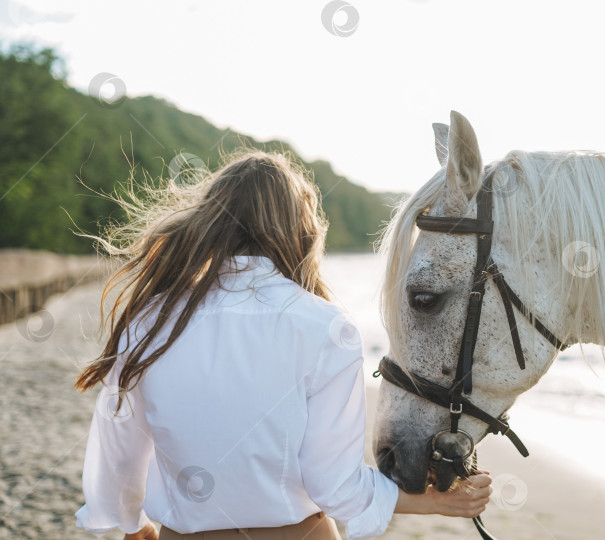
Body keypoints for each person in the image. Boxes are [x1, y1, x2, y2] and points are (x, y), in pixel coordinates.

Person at [73, 150, 491, 540]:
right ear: (299, 229)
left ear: (209, 220)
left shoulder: (152, 319)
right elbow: (334, 485)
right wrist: (434, 501)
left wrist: (132, 523)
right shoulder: (327, 327)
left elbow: (120, 452)